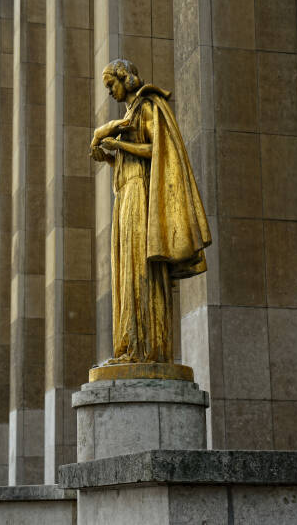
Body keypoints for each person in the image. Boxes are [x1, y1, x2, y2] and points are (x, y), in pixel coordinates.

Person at [90, 58, 211, 365]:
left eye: (110, 85)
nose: (109, 92)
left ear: (125, 79)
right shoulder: (128, 116)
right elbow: (132, 158)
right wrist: (108, 156)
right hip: (126, 194)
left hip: (141, 193)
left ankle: (144, 349)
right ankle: (129, 346)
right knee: (126, 269)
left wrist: (120, 145)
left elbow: (156, 150)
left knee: (139, 268)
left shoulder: (147, 106)